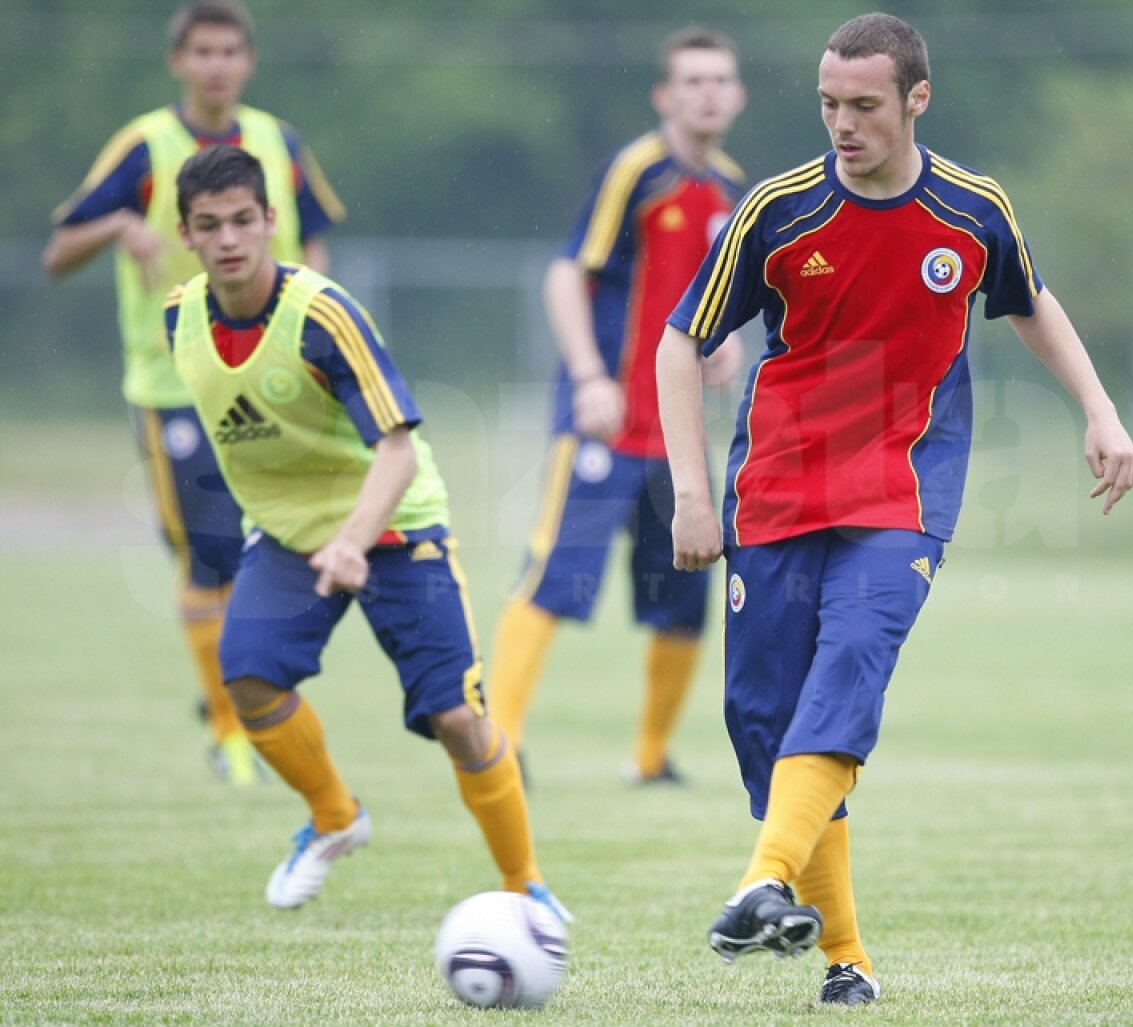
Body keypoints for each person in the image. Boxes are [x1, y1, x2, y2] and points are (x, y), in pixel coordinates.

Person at [657, 12, 1133, 1006]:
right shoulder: (776, 211)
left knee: (850, 666)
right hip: (779, 484)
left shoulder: (971, 208)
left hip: (901, 486)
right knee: (763, 718)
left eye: (865, 106)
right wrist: (693, 494)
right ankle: (846, 957)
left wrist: (1100, 410)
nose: (843, 124)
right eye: (830, 104)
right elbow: (681, 342)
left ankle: (761, 880)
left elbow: (1029, 300)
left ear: (917, 100)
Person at [164, 142, 569, 916]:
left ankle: (528, 887)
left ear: (271, 221)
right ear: (185, 233)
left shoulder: (321, 314)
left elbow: (396, 447)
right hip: (289, 537)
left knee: (457, 717)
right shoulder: (180, 317)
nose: (228, 240)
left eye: (243, 220)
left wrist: (354, 538)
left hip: (398, 526)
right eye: (209, 225)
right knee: (246, 674)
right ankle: (334, 817)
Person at [42, 0, 344, 785]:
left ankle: (254, 698)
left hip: (276, 379)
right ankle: (230, 728)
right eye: (202, 51)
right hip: (174, 382)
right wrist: (119, 228)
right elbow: (59, 249)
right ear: (178, 60)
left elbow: (313, 236)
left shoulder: (278, 141)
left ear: (247, 62)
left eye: (230, 51)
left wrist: (324, 321)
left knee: (271, 543)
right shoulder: (145, 145)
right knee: (207, 557)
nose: (216, 65)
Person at [487, 27, 748, 784]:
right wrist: (589, 375)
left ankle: (651, 757)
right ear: (665, 96)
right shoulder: (636, 172)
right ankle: (498, 747)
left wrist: (725, 342)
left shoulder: (732, 190)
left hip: (677, 434)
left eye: (719, 80)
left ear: (738, 95)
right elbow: (566, 274)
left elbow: (716, 300)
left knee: (684, 595)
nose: (707, 92)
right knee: (555, 578)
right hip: (603, 421)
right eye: (692, 80)